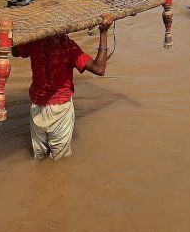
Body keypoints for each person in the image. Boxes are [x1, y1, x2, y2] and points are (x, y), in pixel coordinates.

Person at [11, 14, 115, 160]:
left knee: (39, 156)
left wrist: (21, 31)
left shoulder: (33, 42)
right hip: (60, 108)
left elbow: (14, 51)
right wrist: (103, 33)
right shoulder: (68, 47)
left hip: (37, 105)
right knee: (60, 159)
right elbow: (99, 69)